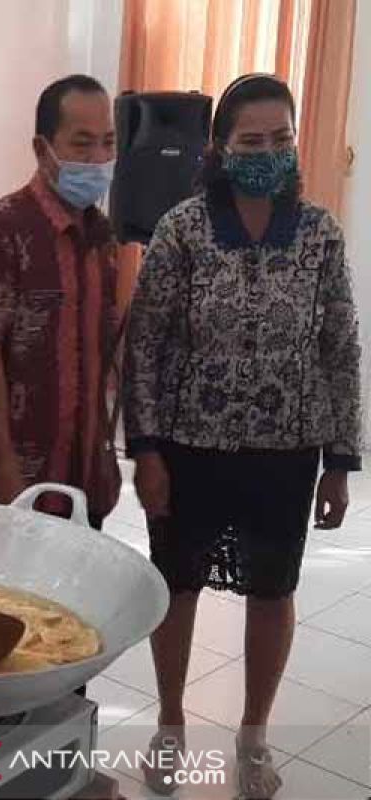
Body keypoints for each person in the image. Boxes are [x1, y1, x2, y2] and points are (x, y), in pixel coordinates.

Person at [123, 74, 361, 798]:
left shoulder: (320, 234)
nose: (267, 152)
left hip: (285, 453)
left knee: (272, 591)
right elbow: (147, 345)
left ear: (295, 142)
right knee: (179, 586)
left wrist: (340, 461)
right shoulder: (182, 229)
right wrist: (147, 449)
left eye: (280, 139)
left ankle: (254, 734)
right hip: (190, 450)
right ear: (219, 148)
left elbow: (340, 349)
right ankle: (169, 725)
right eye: (250, 141)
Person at [0, 74, 121, 529]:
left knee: (74, 598)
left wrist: (106, 456)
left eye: (107, 143)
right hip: (9, 486)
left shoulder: (103, 238)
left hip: (81, 479)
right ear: (42, 149)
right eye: (82, 144)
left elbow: (103, 358)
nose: (98, 159)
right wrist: (6, 474)